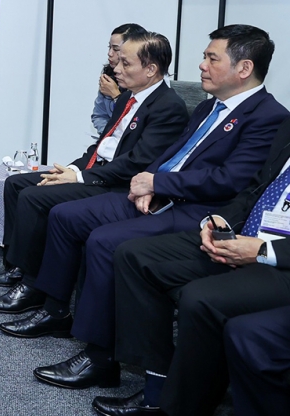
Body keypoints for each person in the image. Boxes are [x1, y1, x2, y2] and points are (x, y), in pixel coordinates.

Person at [11, 24, 289, 390]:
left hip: (199, 209)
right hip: (158, 197)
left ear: (244, 68)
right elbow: (172, 154)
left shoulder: (269, 117)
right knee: (66, 215)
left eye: (211, 57)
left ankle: (100, 357)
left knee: (106, 242)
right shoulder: (208, 107)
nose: (201, 65)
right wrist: (149, 180)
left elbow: (230, 179)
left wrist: (158, 183)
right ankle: (55, 308)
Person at [93, 117, 290, 416]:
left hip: (280, 261)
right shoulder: (287, 127)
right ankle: (157, 382)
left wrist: (264, 251)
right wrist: (220, 221)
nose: (203, 66)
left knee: (199, 298)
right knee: (134, 256)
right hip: (243, 236)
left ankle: (179, 406)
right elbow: (254, 188)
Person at [0, 30, 188, 316]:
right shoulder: (128, 99)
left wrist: (80, 177)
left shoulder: (169, 107)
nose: (116, 67)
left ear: (151, 69)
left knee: (34, 197)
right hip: (97, 171)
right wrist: (72, 168)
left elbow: (137, 162)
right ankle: (21, 266)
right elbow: (101, 146)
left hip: (116, 184)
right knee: (17, 184)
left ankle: (33, 286)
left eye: (126, 64)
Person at [91, 24, 143, 135]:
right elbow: (98, 115)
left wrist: (116, 96)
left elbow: (135, 125)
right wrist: (110, 135)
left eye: (116, 49)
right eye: (109, 47)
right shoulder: (110, 75)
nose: (109, 53)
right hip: (109, 141)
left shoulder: (142, 80)